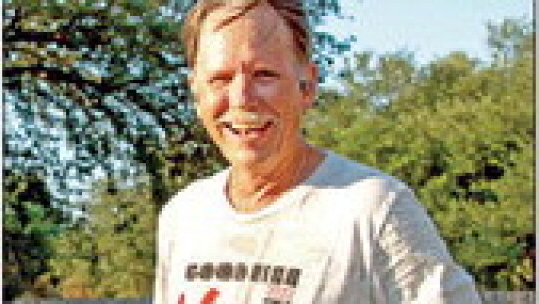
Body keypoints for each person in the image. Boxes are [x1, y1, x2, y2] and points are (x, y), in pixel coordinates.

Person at [154, 0, 482, 303]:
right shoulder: (183, 217)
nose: (241, 98)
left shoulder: (373, 210)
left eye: (264, 75)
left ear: (307, 86)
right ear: (196, 92)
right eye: (220, 79)